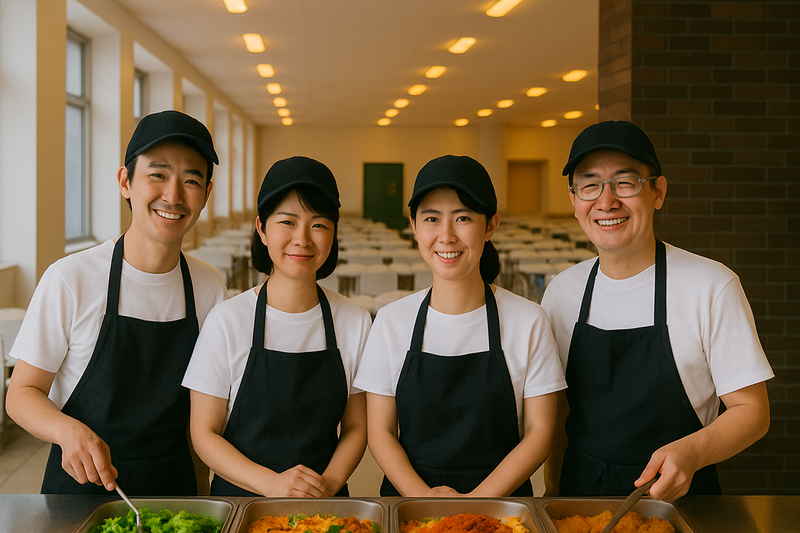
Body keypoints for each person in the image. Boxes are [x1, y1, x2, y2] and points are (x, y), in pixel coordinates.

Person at [541, 120, 774, 502]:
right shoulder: (561, 292)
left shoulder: (711, 286)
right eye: (589, 185)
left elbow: (752, 411)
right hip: (581, 504)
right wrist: (552, 493)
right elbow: (559, 412)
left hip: (684, 505)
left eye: (625, 182)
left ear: (658, 192)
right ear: (574, 200)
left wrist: (693, 451)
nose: (606, 201)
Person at [6, 110, 227, 495]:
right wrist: (67, 431)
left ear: (206, 194)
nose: (173, 196)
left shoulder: (208, 285)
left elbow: (202, 411)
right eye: (157, 175)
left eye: (191, 180)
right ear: (125, 181)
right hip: (80, 489)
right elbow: (22, 393)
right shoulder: (71, 278)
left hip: (175, 493)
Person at [354, 155, 566, 497]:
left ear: (490, 225)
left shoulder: (528, 320)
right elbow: (380, 432)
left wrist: (476, 503)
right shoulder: (392, 321)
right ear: (414, 226)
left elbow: (539, 432)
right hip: (409, 504)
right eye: (432, 219)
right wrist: (424, 499)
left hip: (503, 508)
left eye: (463, 218)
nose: (446, 235)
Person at [183, 156, 371, 498]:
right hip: (240, 503)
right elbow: (204, 433)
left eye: (318, 224)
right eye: (287, 221)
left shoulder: (354, 321)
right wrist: (272, 484)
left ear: (333, 234)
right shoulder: (227, 321)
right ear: (262, 228)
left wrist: (327, 485)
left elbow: (357, 426)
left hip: (324, 504)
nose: (303, 238)